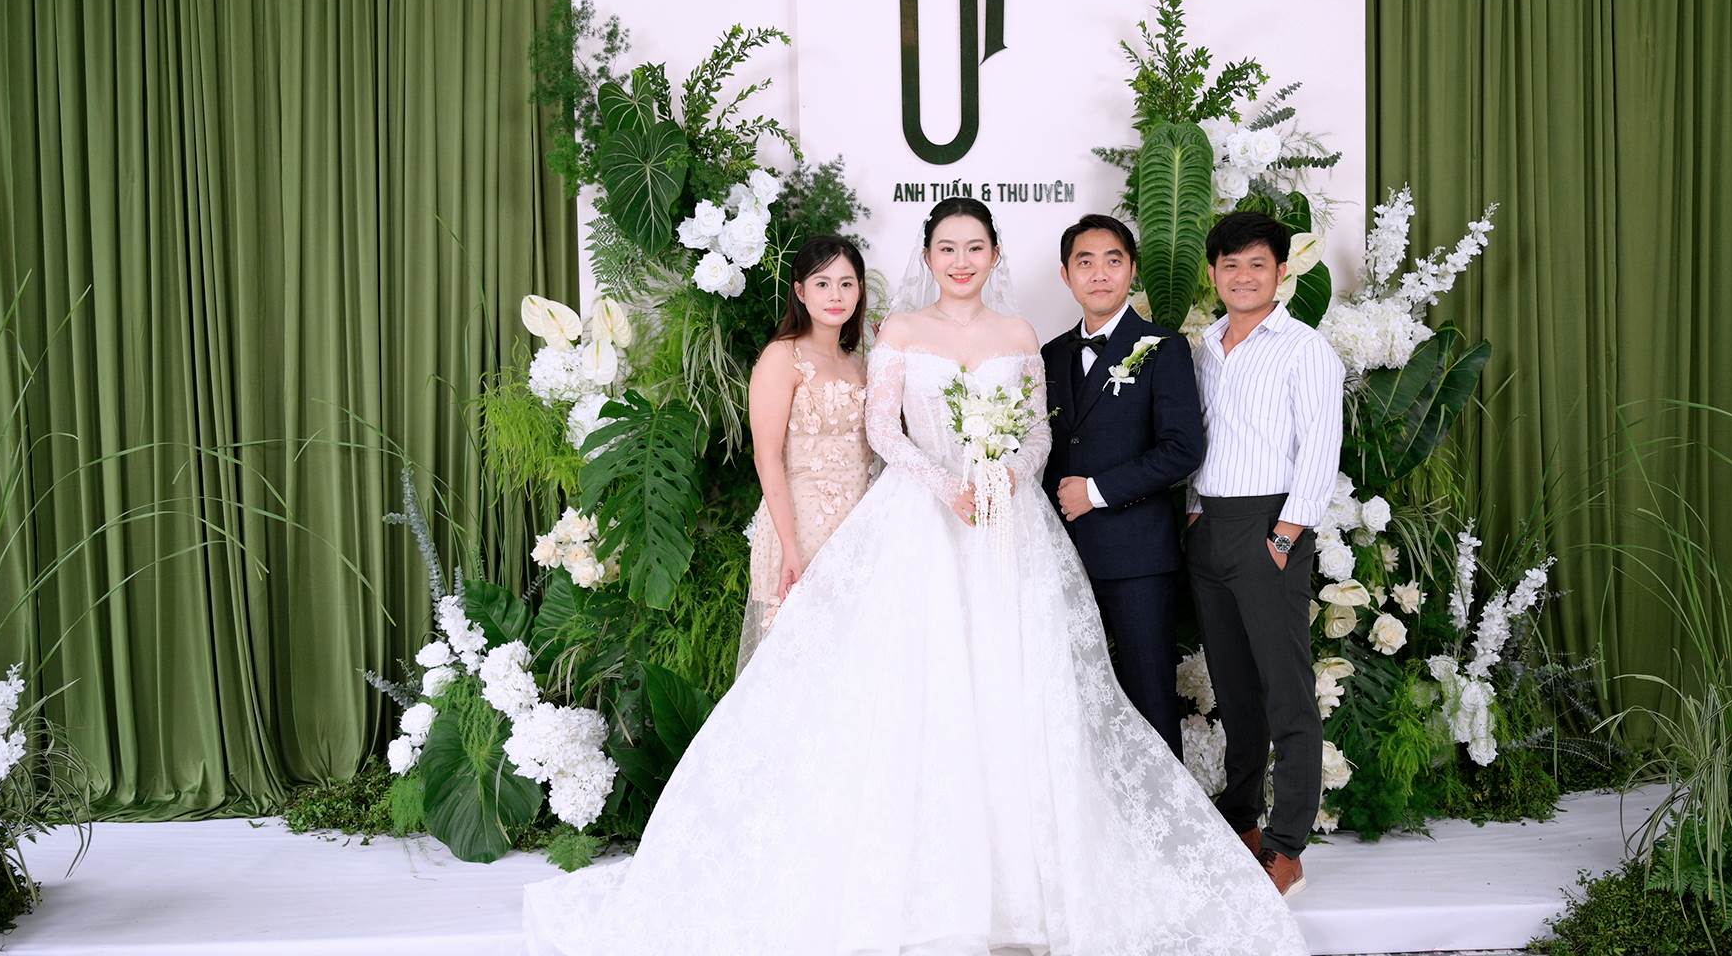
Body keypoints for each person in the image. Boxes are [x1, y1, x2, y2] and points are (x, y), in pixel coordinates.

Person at [521, 197, 1306, 955]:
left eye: (975, 248)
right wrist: (946, 484)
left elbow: (1038, 434)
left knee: (1012, 684)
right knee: (914, 688)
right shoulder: (899, 329)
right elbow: (882, 430)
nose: (961, 261)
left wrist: (1005, 477)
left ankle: (1027, 883)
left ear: (995, 256)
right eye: (946, 248)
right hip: (920, 520)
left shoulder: (1020, 333)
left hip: (1007, 526)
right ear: (928, 257)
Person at [1185, 211, 1345, 898]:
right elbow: (1201, 437)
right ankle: (1243, 821)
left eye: (1257, 264)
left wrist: (1284, 535)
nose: (1243, 276)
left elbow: (1320, 448)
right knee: (1234, 689)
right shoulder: (1205, 347)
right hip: (1210, 525)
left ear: (1281, 273)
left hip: (1270, 525)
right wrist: (1195, 512)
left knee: (1286, 690)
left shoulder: (1305, 349)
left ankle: (1287, 847)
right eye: (1231, 265)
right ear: (1214, 273)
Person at [1040, 213, 1204, 757]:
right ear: (1066, 275)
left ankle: (1166, 812)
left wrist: (1096, 491)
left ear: (1132, 270)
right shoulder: (1051, 355)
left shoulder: (1163, 347)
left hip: (1137, 558)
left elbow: (1183, 449)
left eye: (1113, 261)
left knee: (1150, 697)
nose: (1100, 274)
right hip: (1063, 556)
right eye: (1085, 262)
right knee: (1070, 701)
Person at [737, 236, 876, 672]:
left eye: (846, 284)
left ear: (859, 291)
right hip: (800, 526)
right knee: (799, 667)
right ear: (800, 291)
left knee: (852, 665)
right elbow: (766, 458)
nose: (836, 295)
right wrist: (790, 547)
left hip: (857, 528)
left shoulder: (859, 363)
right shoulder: (783, 357)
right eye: (822, 284)